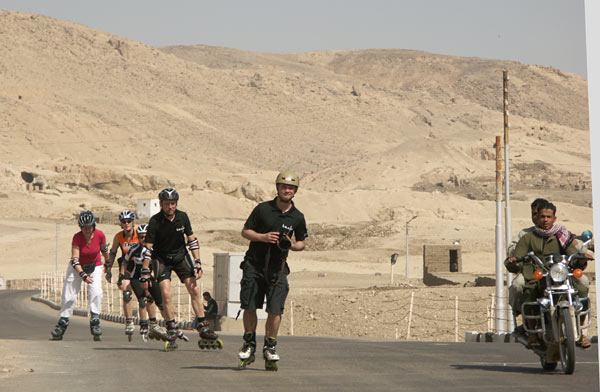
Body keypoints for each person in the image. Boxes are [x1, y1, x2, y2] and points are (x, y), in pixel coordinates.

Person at [237, 171, 308, 371]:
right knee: (249, 304)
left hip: (278, 268)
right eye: (284, 187)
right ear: (277, 188)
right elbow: (245, 231)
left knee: (275, 308)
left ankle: (270, 346)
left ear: (295, 191)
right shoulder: (262, 209)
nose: (287, 190)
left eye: (291, 188)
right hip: (254, 265)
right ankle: (249, 343)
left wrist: (291, 245)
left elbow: (302, 242)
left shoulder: (297, 217)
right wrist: (263, 237)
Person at [506, 201, 592, 353]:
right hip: (537, 275)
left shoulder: (561, 236)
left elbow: (572, 252)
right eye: (542, 216)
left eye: (549, 217)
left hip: (559, 273)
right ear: (537, 218)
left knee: (582, 285)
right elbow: (517, 257)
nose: (545, 220)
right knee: (529, 292)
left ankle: (582, 331)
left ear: (554, 218)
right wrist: (514, 262)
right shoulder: (528, 237)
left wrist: (581, 258)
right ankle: (532, 333)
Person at [141, 188, 221, 349]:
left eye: (173, 203)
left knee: (195, 290)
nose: (170, 207)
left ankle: (202, 325)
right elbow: (148, 248)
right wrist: (145, 270)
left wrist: (198, 262)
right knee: (166, 292)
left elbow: (192, 240)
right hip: (161, 258)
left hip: (180, 256)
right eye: (167, 204)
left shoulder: (182, 217)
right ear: (161, 204)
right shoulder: (155, 221)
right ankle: (171, 326)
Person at [51, 210, 109, 341]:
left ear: (94, 225)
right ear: (80, 227)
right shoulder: (77, 237)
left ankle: (95, 320)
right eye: (84, 227)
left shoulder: (100, 235)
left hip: (95, 265)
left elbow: (104, 249)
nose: (87, 230)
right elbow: (75, 259)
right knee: (69, 294)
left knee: (96, 292)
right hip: (77, 267)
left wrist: (108, 263)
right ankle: (62, 323)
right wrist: (82, 274)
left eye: (89, 227)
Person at [121, 224, 167, 342]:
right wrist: (122, 276)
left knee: (159, 301)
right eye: (141, 237)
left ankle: (166, 324)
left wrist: (152, 275)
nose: (143, 240)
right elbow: (125, 262)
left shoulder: (156, 249)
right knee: (142, 299)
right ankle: (142, 324)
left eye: (145, 237)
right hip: (136, 277)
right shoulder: (134, 249)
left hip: (151, 276)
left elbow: (160, 264)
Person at [104, 210, 139, 339]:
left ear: (133, 222)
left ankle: (149, 321)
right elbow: (112, 253)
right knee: (126, 291)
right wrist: (108, 270)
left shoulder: (139, 234)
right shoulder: (118, 237)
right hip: (126, 266)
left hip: (140, 264)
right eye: (124, 222)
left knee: (146, 292)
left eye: (129, 221)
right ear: (121, 224)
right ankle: (129, 321)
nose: (126, 224)